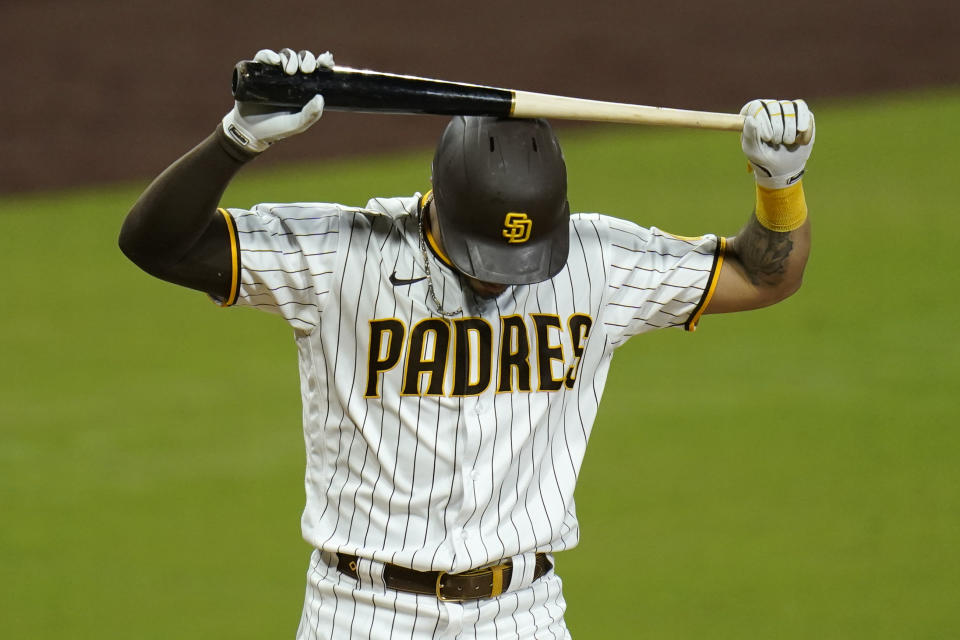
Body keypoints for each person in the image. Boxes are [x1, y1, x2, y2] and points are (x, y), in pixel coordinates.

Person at [119, 47, 814, 639]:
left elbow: (761, 274)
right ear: (437, 207)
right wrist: (237, 140)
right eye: (478, 259)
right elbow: (156, 244)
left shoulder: (599, 263)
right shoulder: (342, 258)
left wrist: (778, 185)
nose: (497, 281)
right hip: (362, 614)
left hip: (522, 613)